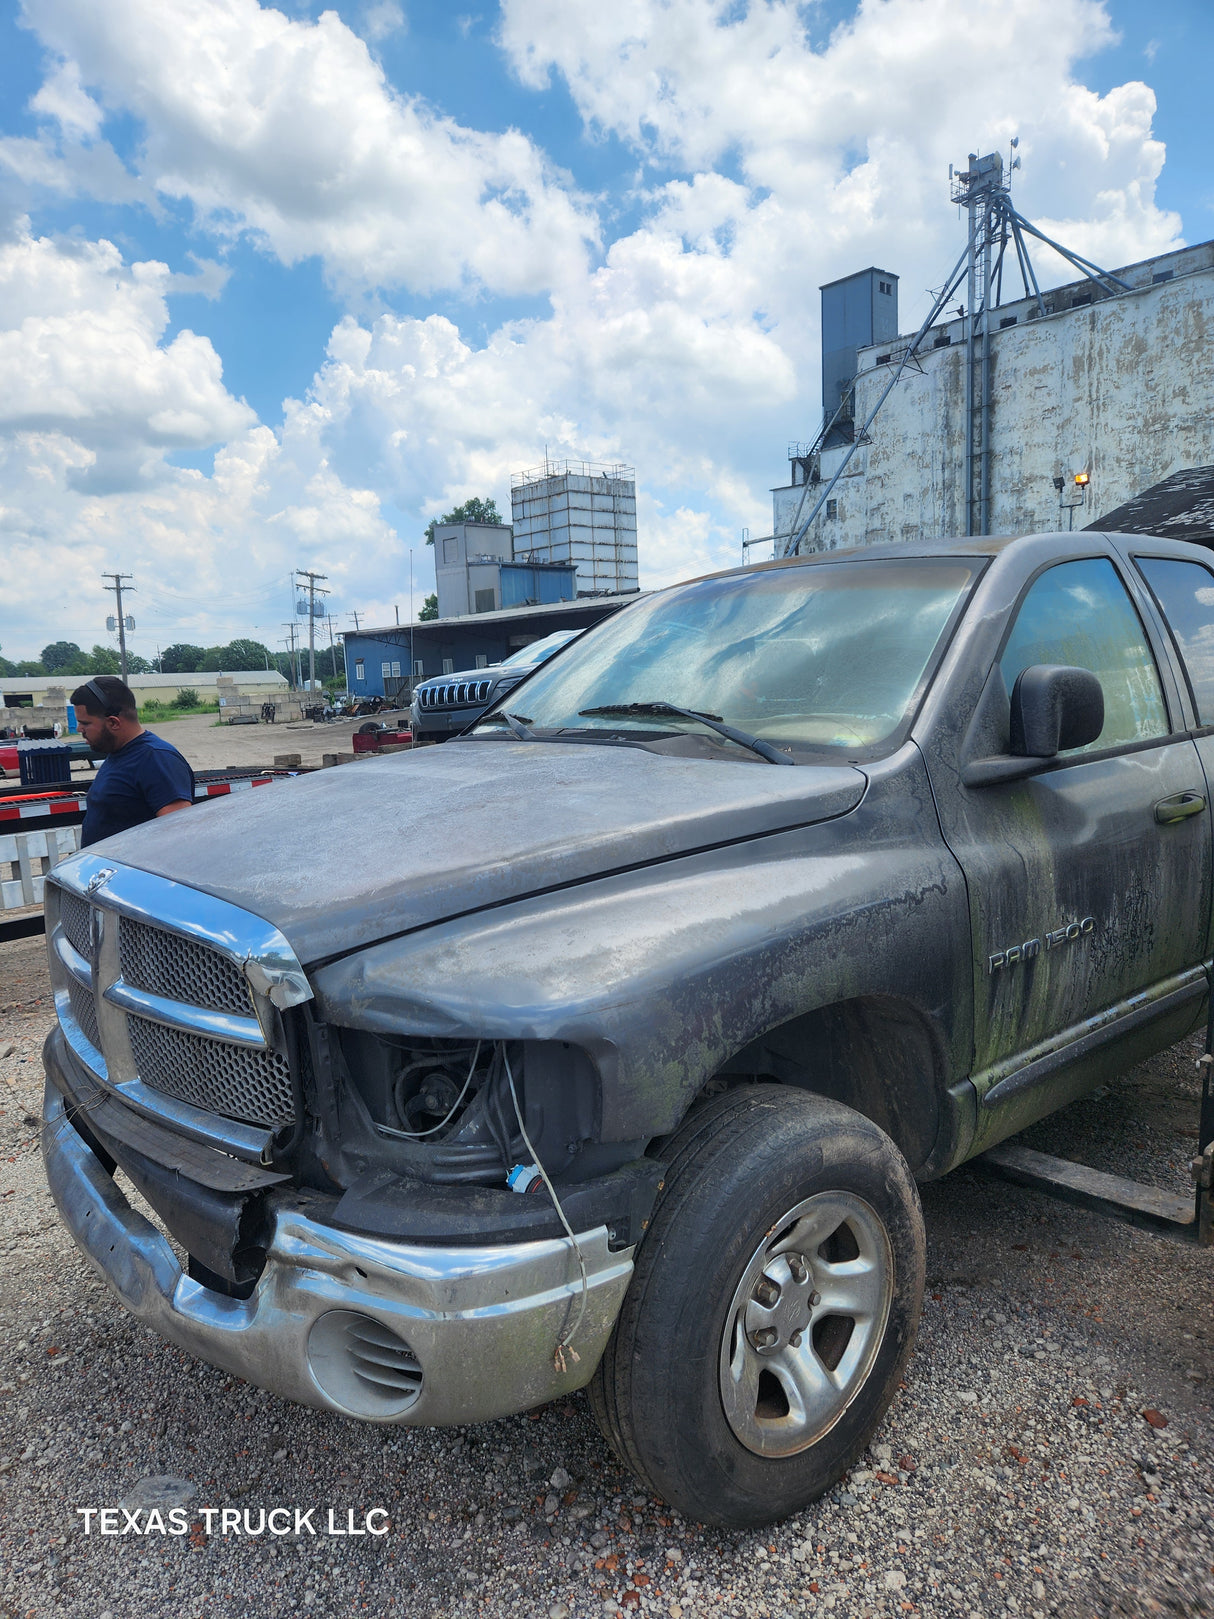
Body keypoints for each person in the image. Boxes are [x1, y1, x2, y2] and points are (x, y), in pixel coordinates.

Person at [71, 675, 195, 847]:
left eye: (85, 723)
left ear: (113, 723)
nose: (79, 729)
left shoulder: (156, 759)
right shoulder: (119, 753)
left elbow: (180, 838)